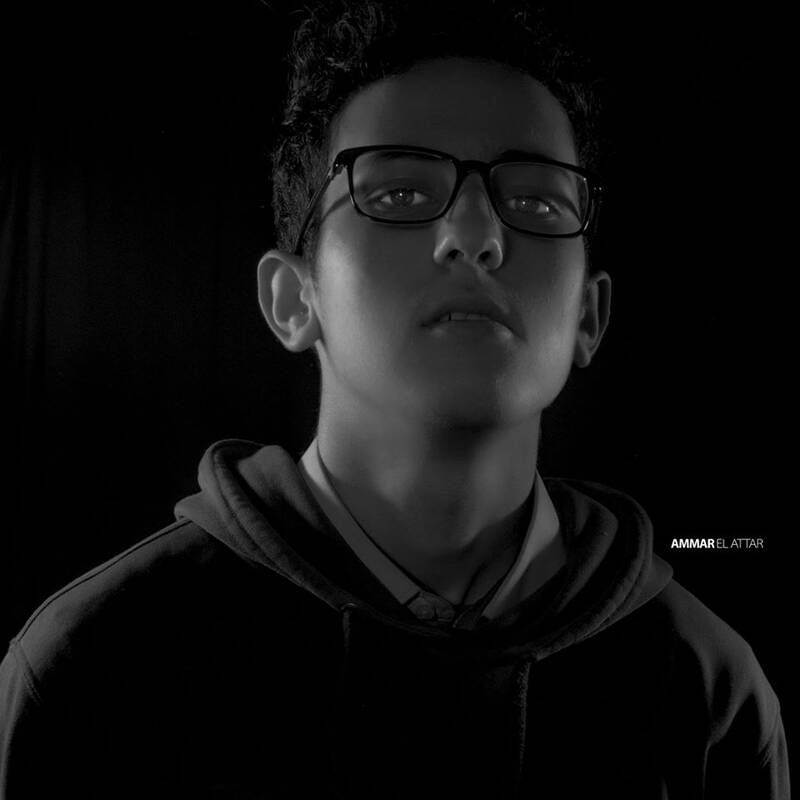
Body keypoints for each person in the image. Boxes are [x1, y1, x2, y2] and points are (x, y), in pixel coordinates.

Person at [0, 1, 789, 797]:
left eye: (535, 201)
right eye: (403, 193)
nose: (476, 236)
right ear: (293, 300)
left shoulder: (708, 690)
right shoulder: (99, 667)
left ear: (589, 317)